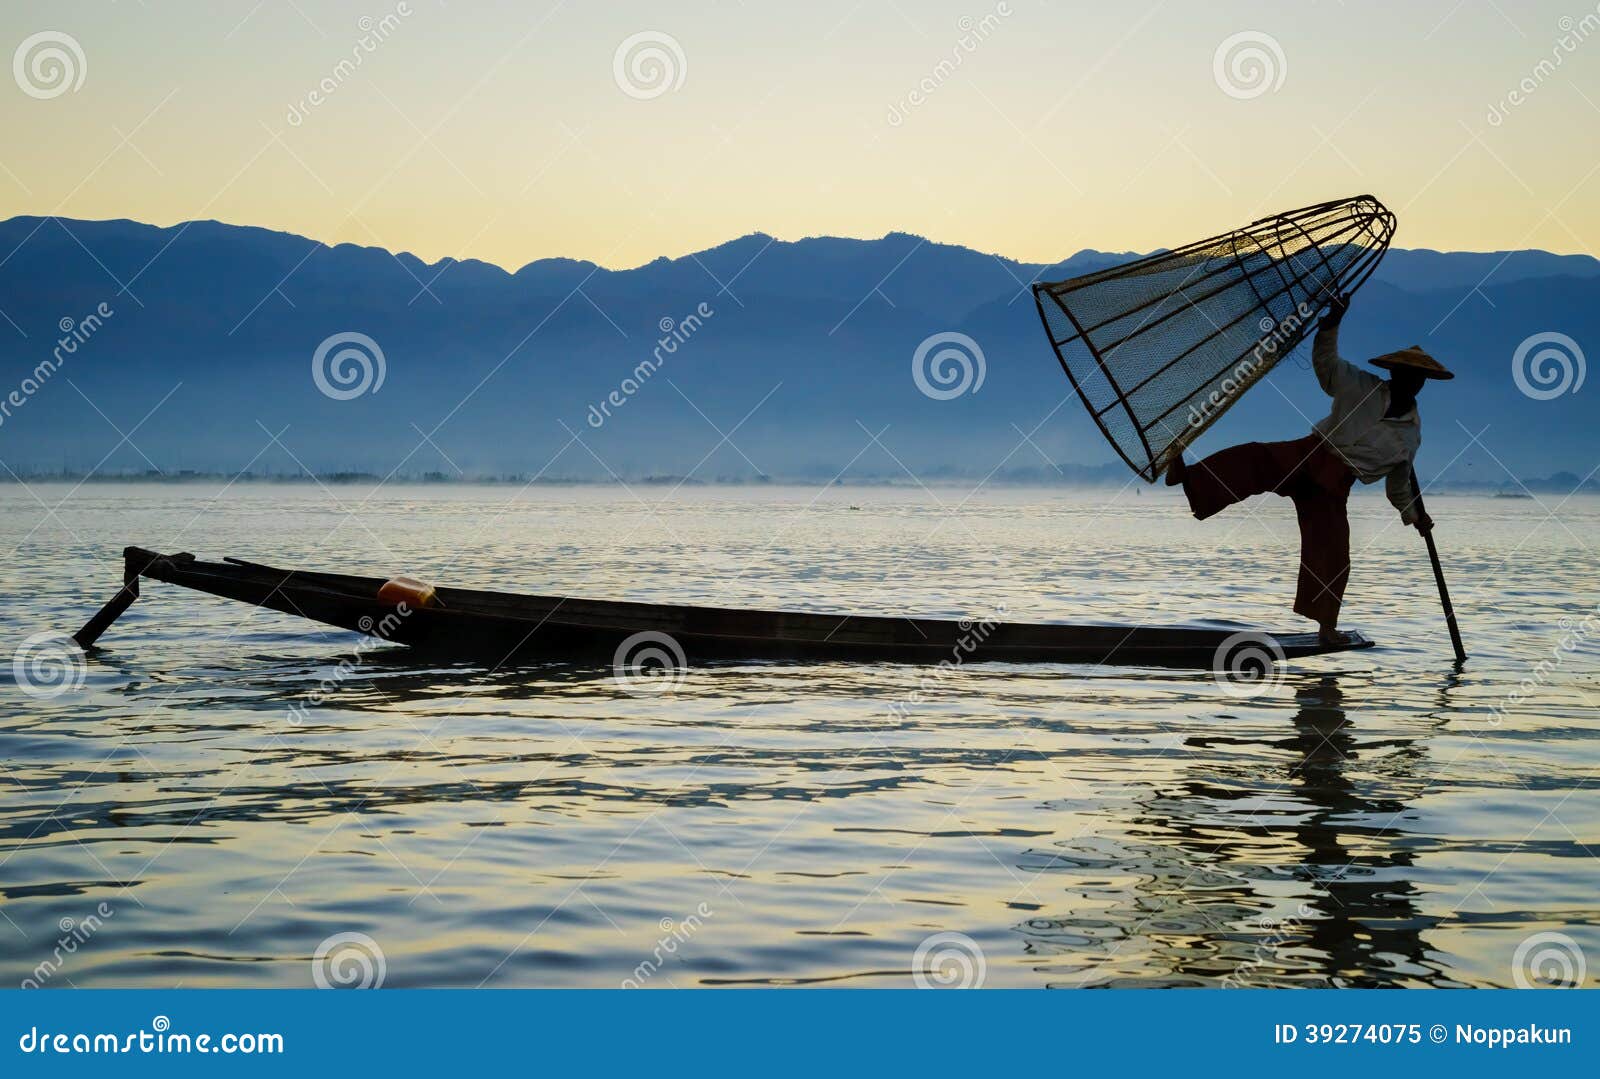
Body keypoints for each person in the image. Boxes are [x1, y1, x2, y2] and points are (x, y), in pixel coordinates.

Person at [1165, 293, 1453, 645]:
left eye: (1415, 378)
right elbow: (1328, 364)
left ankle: (1326, 630)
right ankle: (1188, 476)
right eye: (1404, 374)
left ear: (1422, 383)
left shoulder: (1410, 435)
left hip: (1334, 485)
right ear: (1393, 374)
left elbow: (1399, 485)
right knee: (1255, 460)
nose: (1409, 382)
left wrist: (1415, 517)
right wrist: (1332, 324)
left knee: (1333, 555)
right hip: (1310, 453)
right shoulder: (1361, 384)